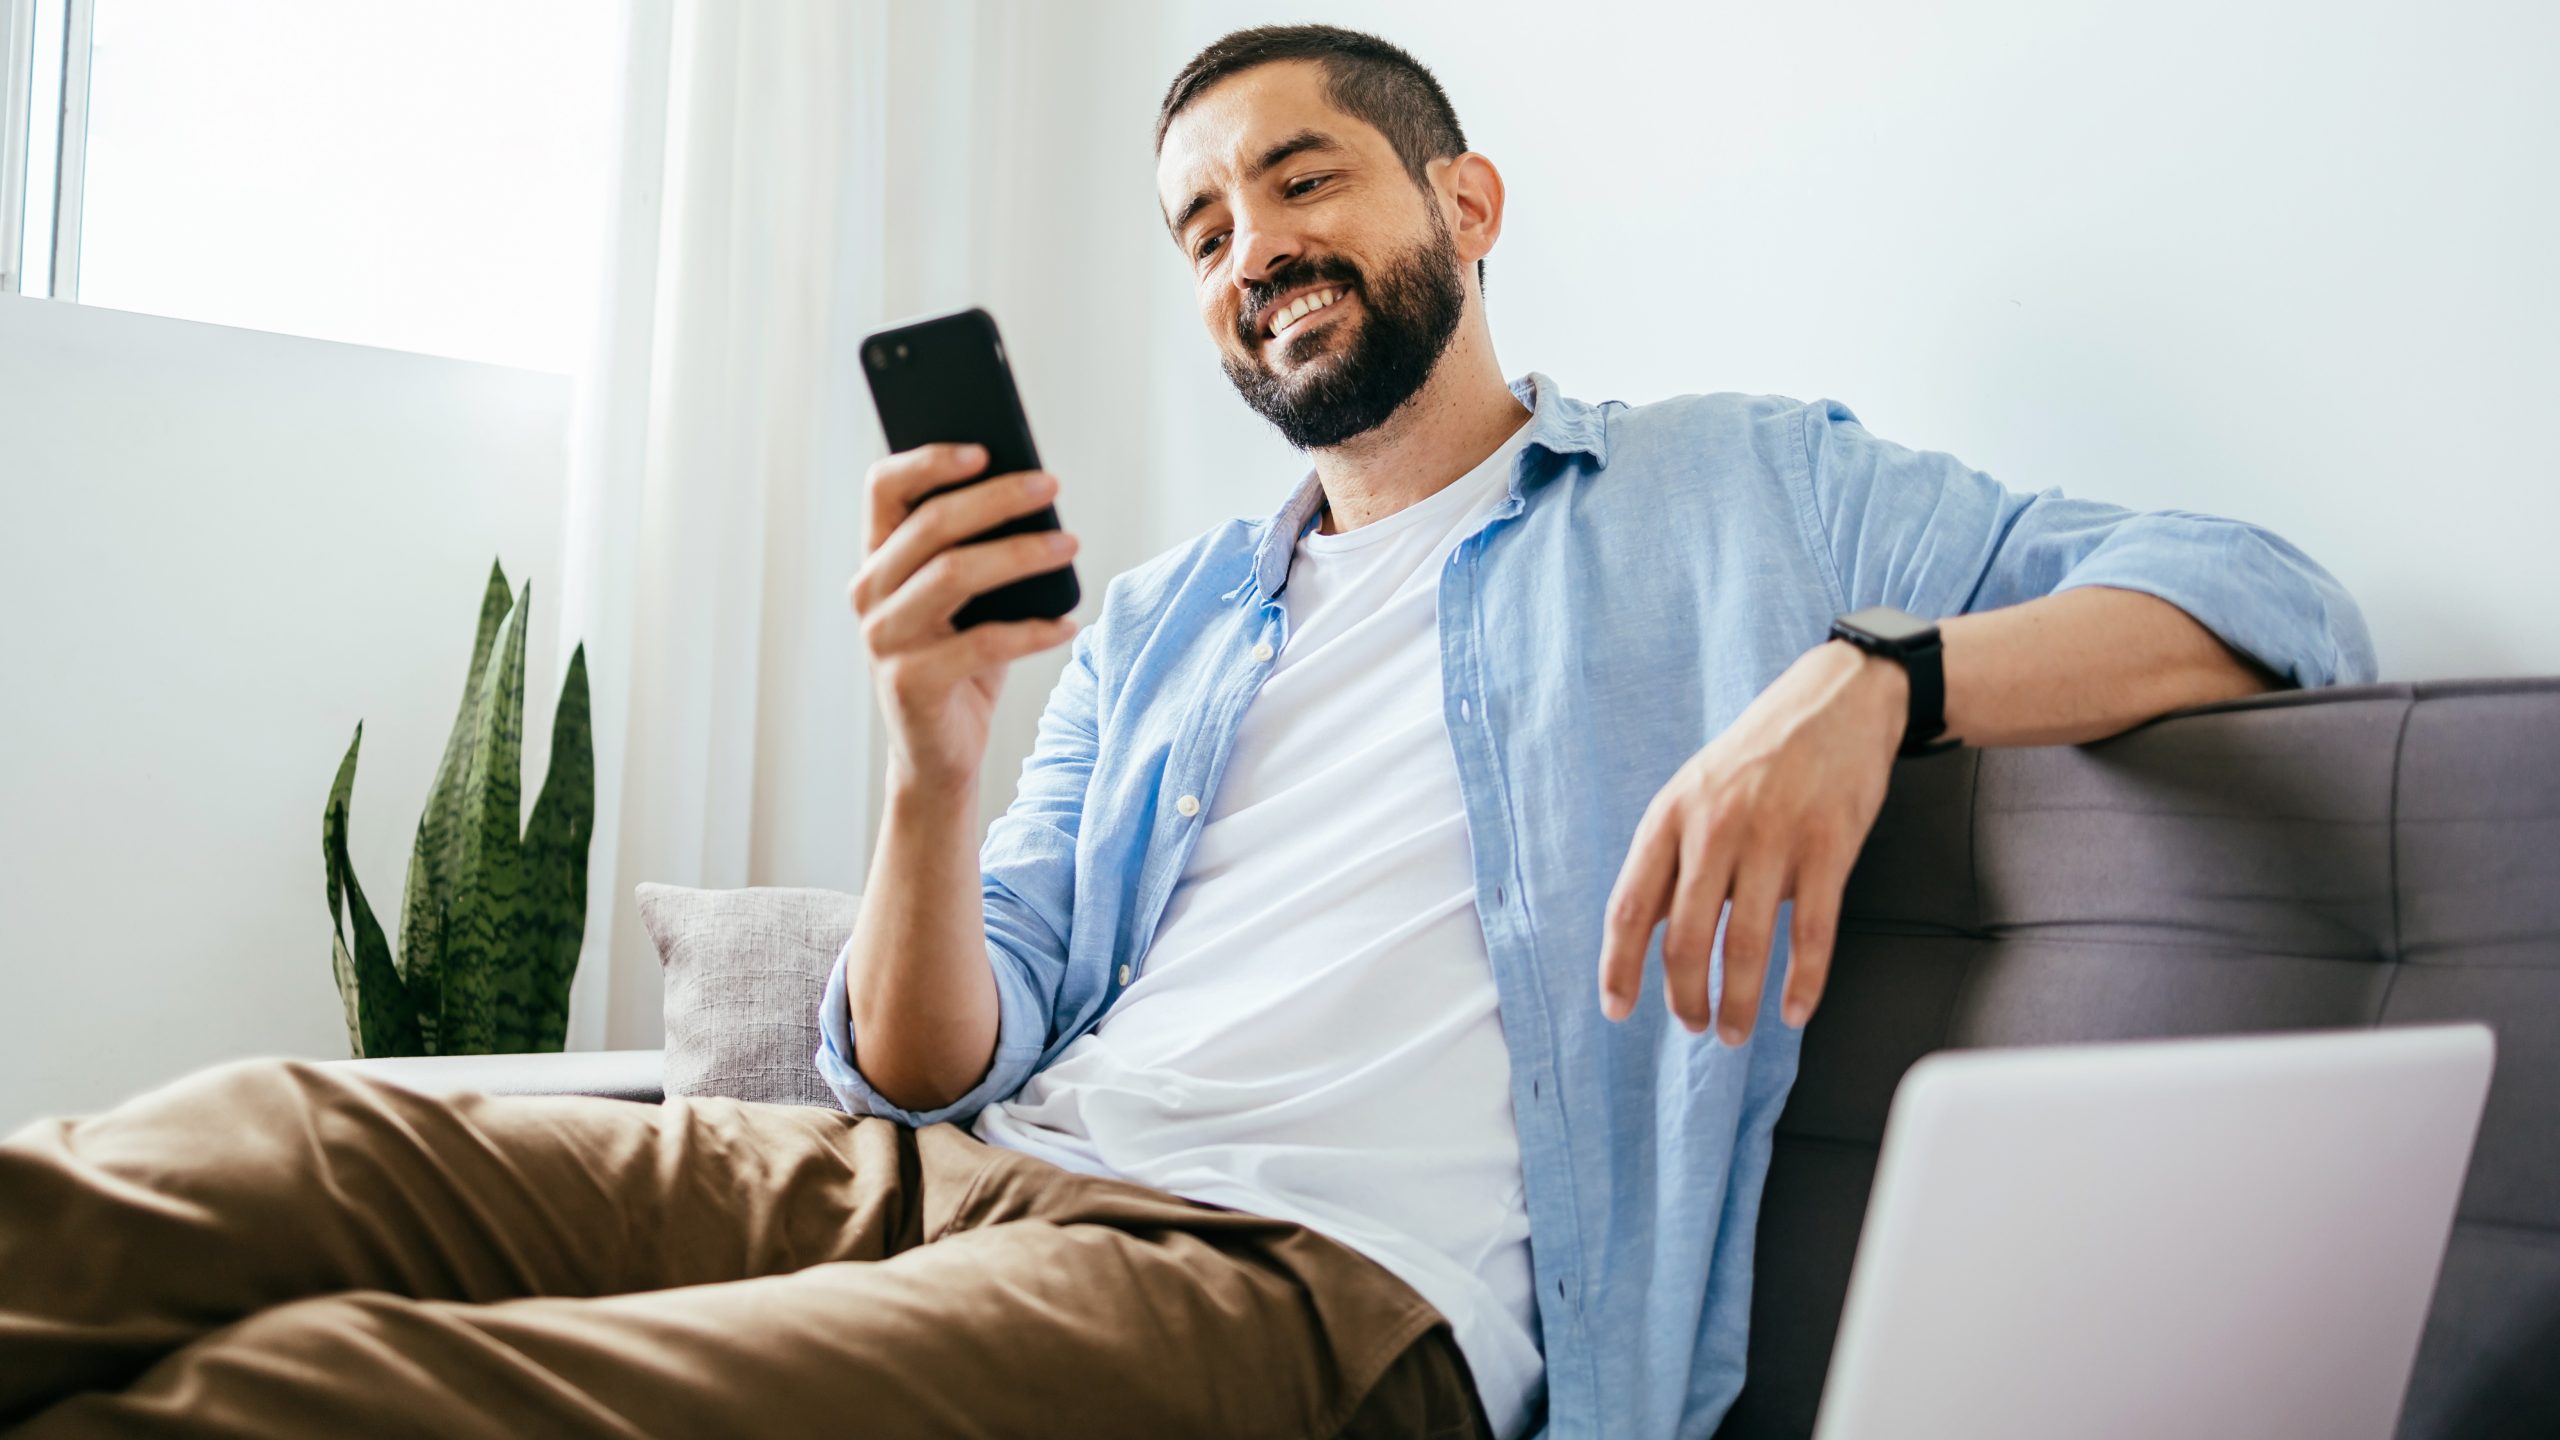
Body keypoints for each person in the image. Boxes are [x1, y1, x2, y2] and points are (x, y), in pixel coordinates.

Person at [0, 22, 2372, 1440]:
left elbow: (2265, 597)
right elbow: (928, 1063)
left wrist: (1874, 679)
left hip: (1312, 1293)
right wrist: (932, 764)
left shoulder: (1737, 487)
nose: (1249, 246)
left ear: (1464, 199)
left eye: (1299, 177)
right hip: (972, 1171)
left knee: (329, 1396)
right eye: (1201, 228)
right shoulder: (1159, 623)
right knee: (262, 1148)